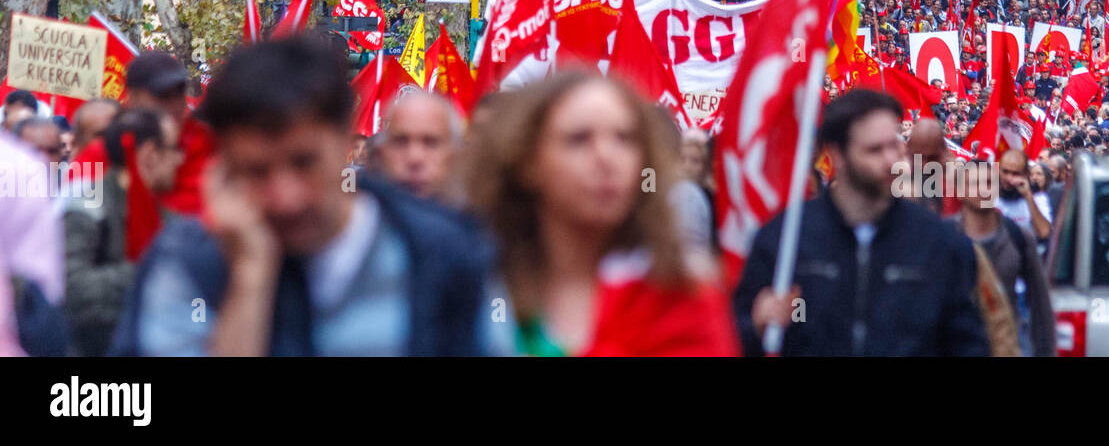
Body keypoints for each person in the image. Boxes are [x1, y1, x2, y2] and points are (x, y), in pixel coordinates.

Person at [112, 35, 493, 356]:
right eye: (257, 171)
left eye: (304, 163)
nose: (286, 197)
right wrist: (249, 279)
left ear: (346, 136)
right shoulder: (188, 263)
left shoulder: (445, 251)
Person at [465, 72, 737, 356]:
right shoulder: (478, 287)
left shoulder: (684, 294)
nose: (606, 156)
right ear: (527, 161)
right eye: (579, 139)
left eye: (625, 138)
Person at [734, 89, 988, 356]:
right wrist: (756, 326)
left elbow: (967, 341)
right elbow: (735, 335)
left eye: (893, 146)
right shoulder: (786, 239)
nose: (890, 160)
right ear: (838, 155)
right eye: (874, 150)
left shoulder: (938, 243)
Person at [63, 108, 185, 356]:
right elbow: (72, 292)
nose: (180, 159)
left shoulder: (174, 217)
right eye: (174, 148)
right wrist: (148, 270)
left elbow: (196, 308)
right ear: (150, 153)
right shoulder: (89, 206)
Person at [950, 160, 1055, 356]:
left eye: (989, 183)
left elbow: (1040, 302)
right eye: (975, 184)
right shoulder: (943, 238)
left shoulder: (1019, 237)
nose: (983, 190)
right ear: (960, 190)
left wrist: (1045, 350)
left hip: (1007, 345)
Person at [124, 51, 214, 217]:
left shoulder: (208, 144)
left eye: (179, 92)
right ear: (133, 98)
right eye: (163, 94)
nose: (174, 104)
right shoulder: (109, 148)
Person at [0, 128, 63, 355]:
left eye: (52, 150)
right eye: (37, 149)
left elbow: (37, 294)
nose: (45, 158)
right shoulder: (20, 166)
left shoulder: (21, 168)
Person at [370, 92, 463, 203]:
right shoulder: (358, 217)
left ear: (455, 153)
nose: (415, 157)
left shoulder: (479, 217)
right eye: (401, 141)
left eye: (430, 142)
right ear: (381, 152)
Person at [996, 149, 1053, 242]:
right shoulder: (989, 196)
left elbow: (1044, 232)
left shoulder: (1037, 197)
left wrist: (1028, 196)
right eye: (1005, 172)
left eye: (1015, 173)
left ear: (1026, 174)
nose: (1009, 178)